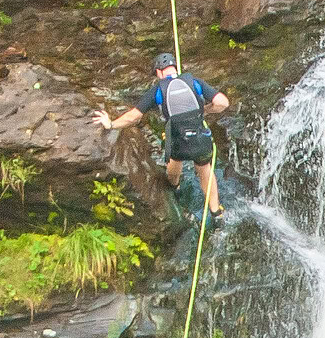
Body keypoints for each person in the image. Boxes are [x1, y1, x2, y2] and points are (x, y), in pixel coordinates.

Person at [96, 54, 232, 217]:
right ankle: (216, 212)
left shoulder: (158, 90)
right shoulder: (195, 82)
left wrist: (111, 124)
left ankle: (176, 189)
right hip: (200, 139)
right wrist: (205, 110)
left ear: (159, 72)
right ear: (175, 68)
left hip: (178, 141)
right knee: (205, 170)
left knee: (174, 163)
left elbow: (134, 116)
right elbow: (223, 103)